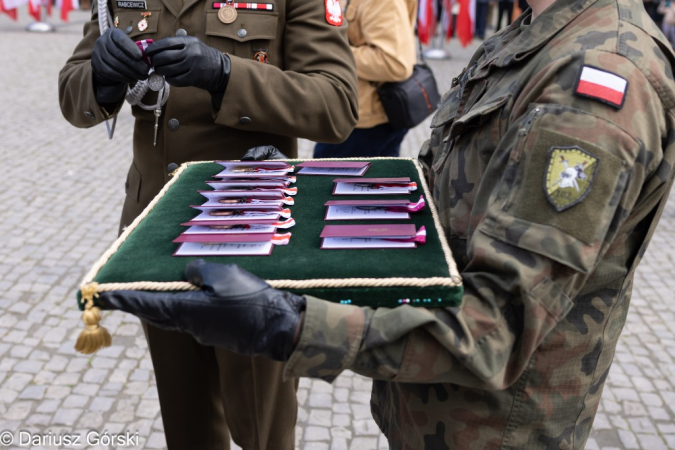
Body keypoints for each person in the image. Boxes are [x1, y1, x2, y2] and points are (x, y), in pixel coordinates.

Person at [95, 0, 675, 446]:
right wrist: (300, 191)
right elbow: (431, 195)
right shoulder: (531, 36)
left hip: (494, 430)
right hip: (436, 416)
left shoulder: (595, 79)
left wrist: (292, 324)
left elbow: (497, 330)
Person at [58, 0, 358, 448]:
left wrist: (226, 75)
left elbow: (336, 103)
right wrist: (99, 78)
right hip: (155, 234)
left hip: (252, 235)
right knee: (188, 425)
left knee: (263, 429)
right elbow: (72, 92)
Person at [313, 0, 416, 158]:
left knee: (324, 179)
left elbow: (394, 63)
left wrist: (330, 51)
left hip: (364, 122)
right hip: (355, 114)